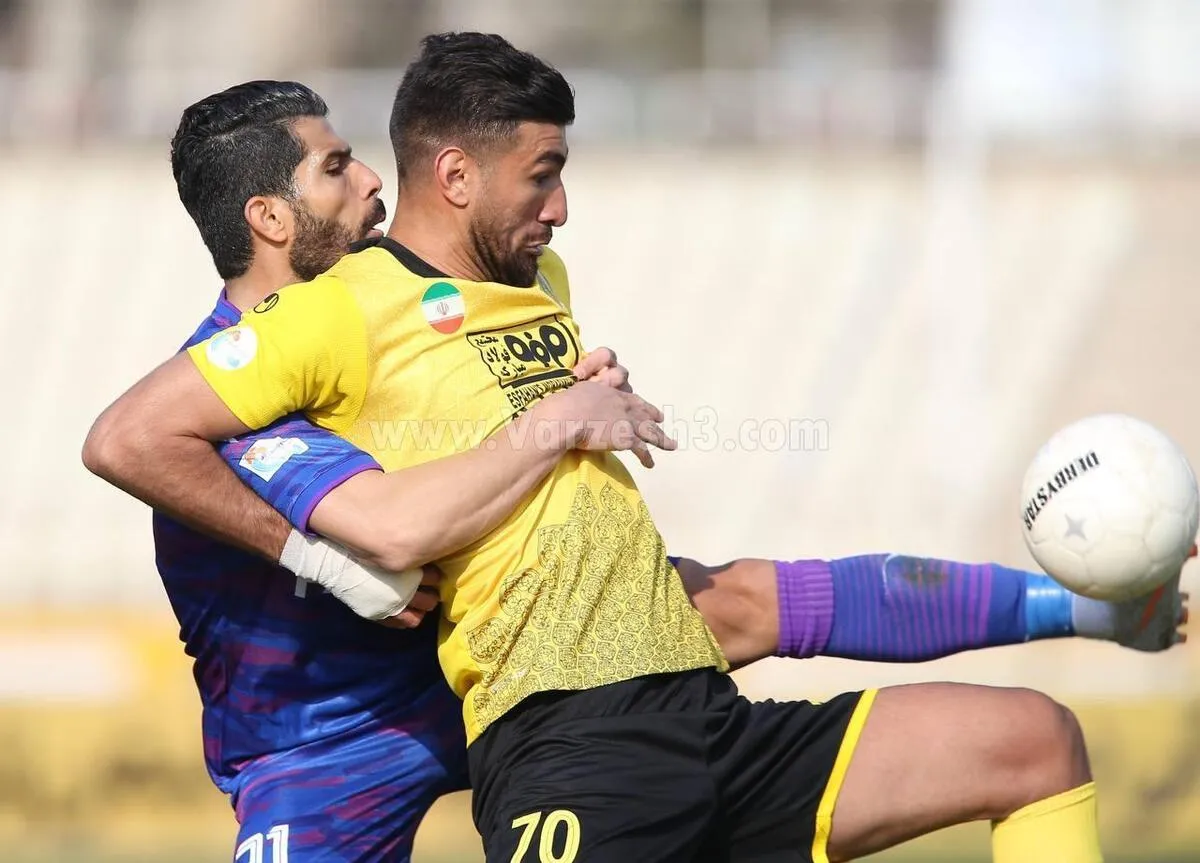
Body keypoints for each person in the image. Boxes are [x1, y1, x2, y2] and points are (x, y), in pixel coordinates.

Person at [83, 46, 1189, 863]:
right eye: (336, 168)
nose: (370, 179)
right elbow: (354, 519)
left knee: (787, 624)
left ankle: (1086, 609)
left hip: (546, 683)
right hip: (334, 744)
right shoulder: (271, 366)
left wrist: (565, 394)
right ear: (272, 217)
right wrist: (335, 548)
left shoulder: (514, 284)